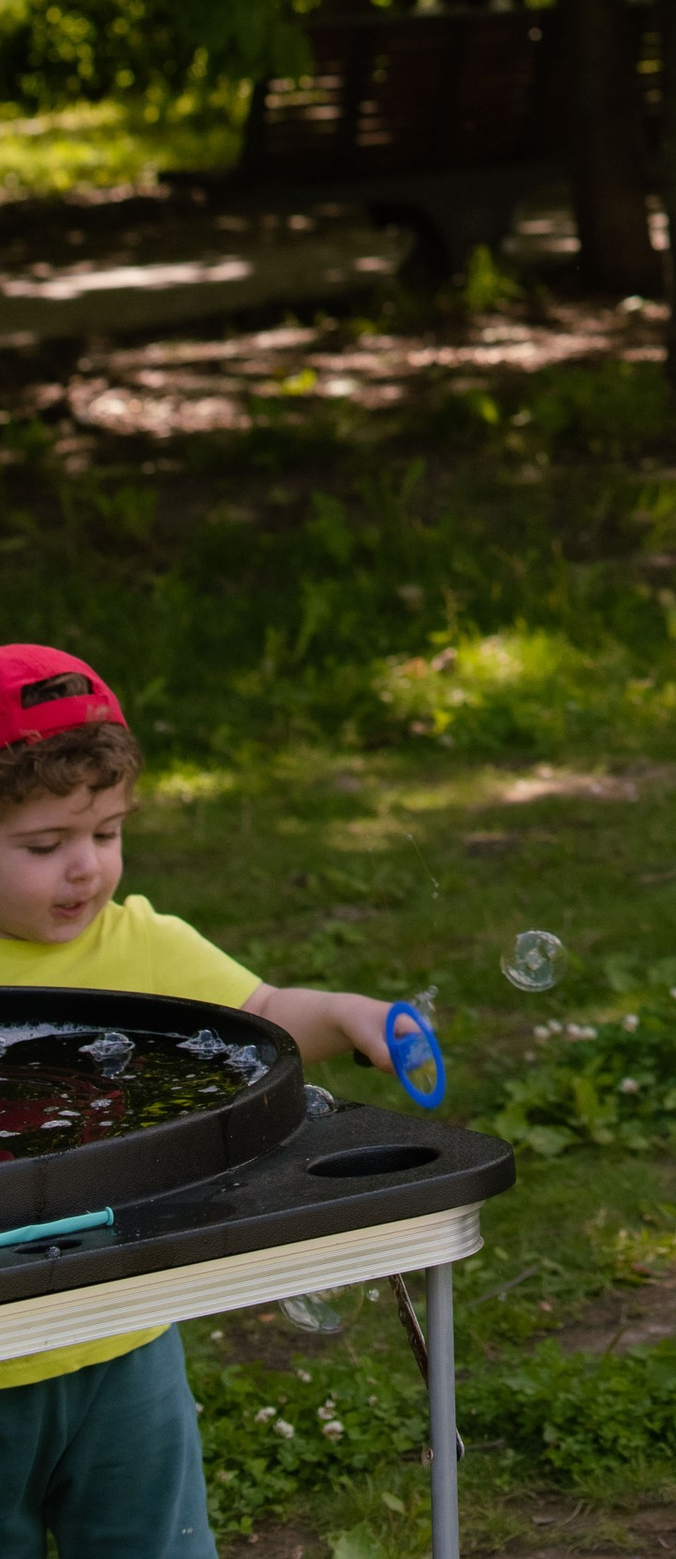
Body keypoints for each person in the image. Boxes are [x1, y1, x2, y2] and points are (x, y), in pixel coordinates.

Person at [0, 644, 400, 1559]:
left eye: (105, 833)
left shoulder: (138, 942)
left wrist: (344, 1011)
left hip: (123, 1328)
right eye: (44, 845)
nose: (85, 870)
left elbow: (257, 1014)